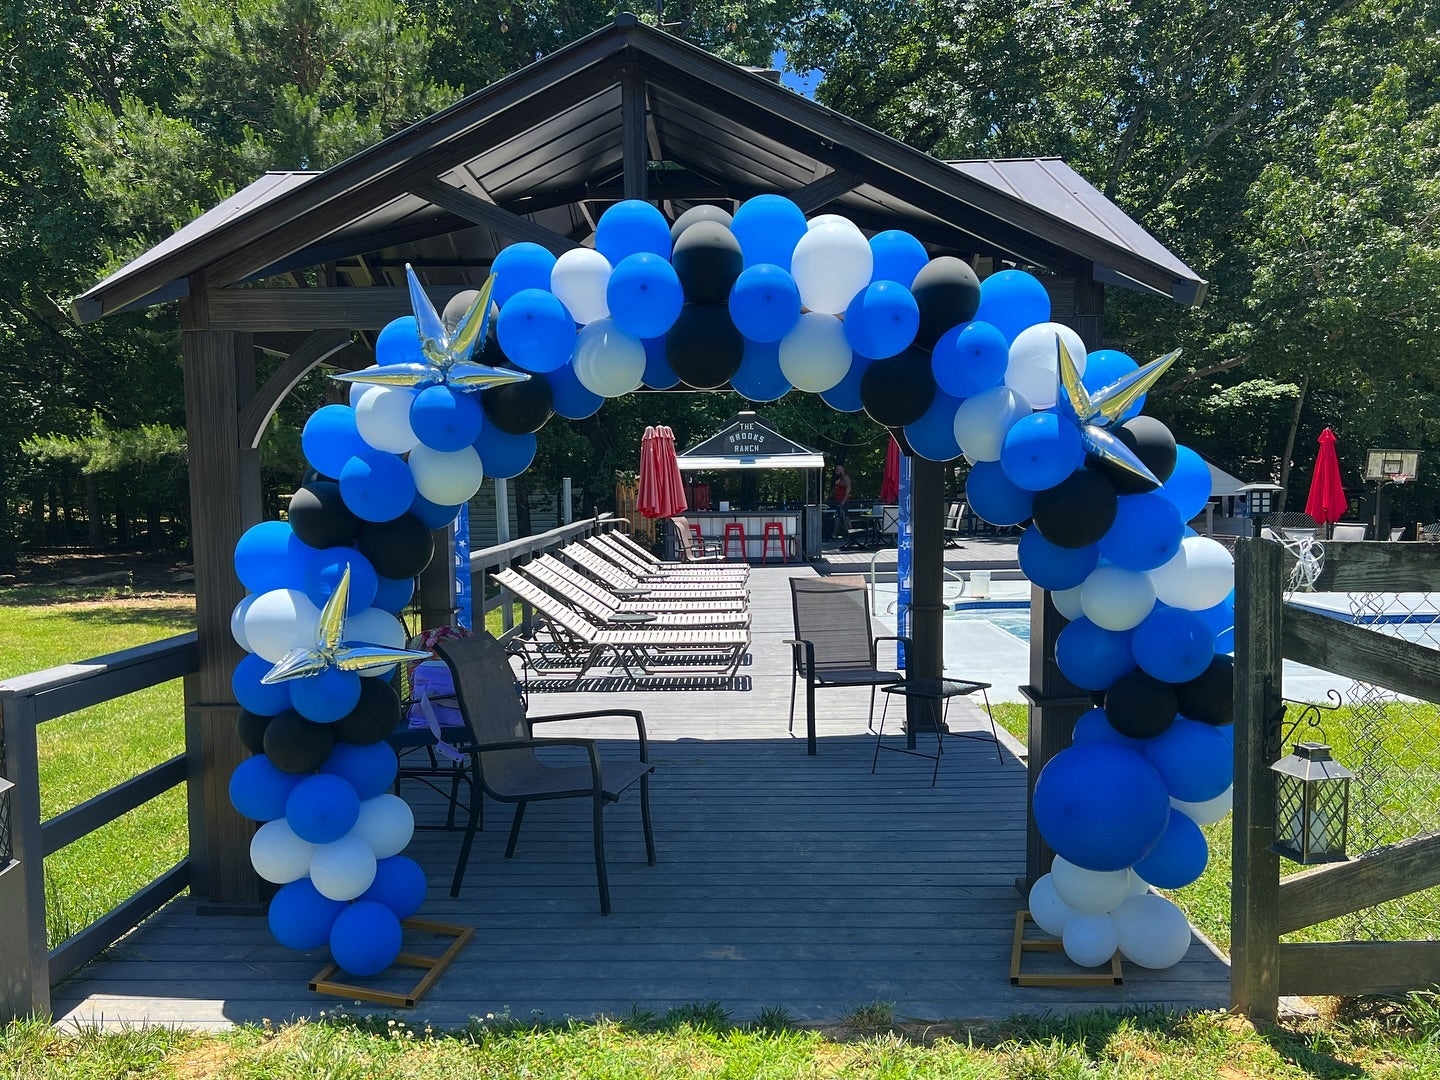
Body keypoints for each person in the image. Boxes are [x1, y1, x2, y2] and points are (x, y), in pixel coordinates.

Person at [831, 464, 852, 537]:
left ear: (842, 470)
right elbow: (835, 489)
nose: (836, 472)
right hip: (838, 501)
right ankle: (835, 534)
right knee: (838, 517)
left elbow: (848, 489)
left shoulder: (845, 478)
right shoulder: (838, 479)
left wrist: (844, 501)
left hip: (843, 502)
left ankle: (851, 532)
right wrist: (828, 497)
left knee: (845, 517)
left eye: (837, 470)